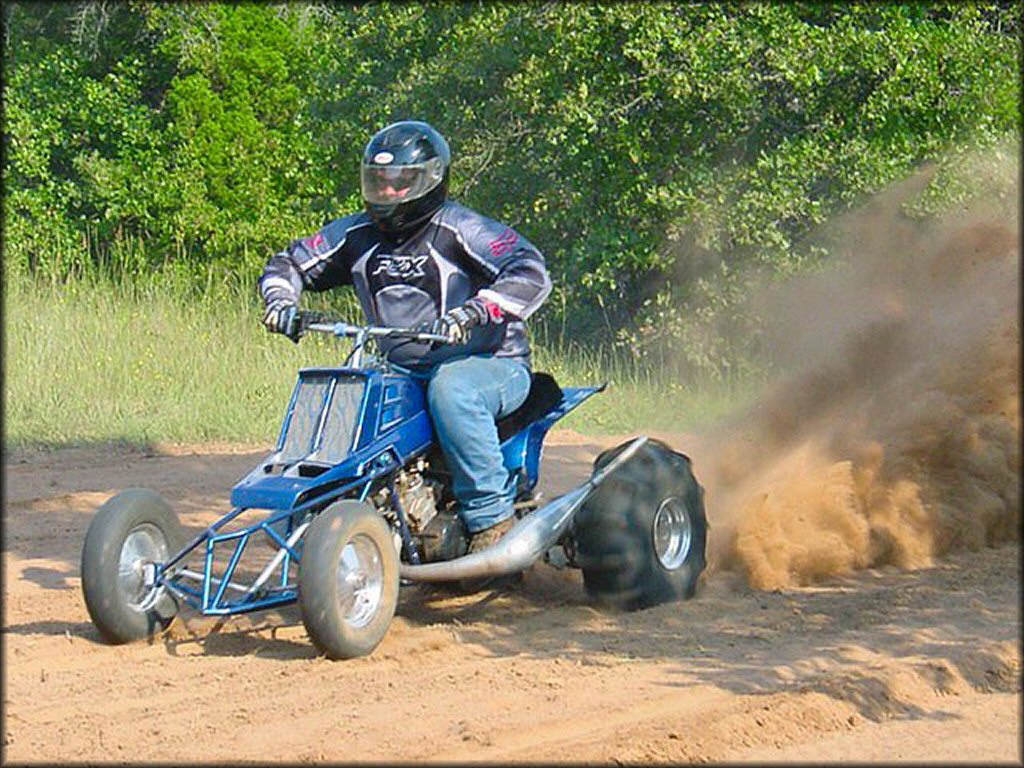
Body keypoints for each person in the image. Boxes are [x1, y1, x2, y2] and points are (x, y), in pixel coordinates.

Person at [258, 120, 551, 557]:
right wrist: (280, 301)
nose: (388, 194)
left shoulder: (461, 228)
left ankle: (492, 517)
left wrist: (473, 311)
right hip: (401, 369)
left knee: (452, 390)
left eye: (400, 184)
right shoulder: (356, 235)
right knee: (343, 388)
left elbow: (530, 270)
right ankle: (319, 506)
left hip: (492, 363)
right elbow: (290, 263)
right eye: (379, 183)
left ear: (431, 180)